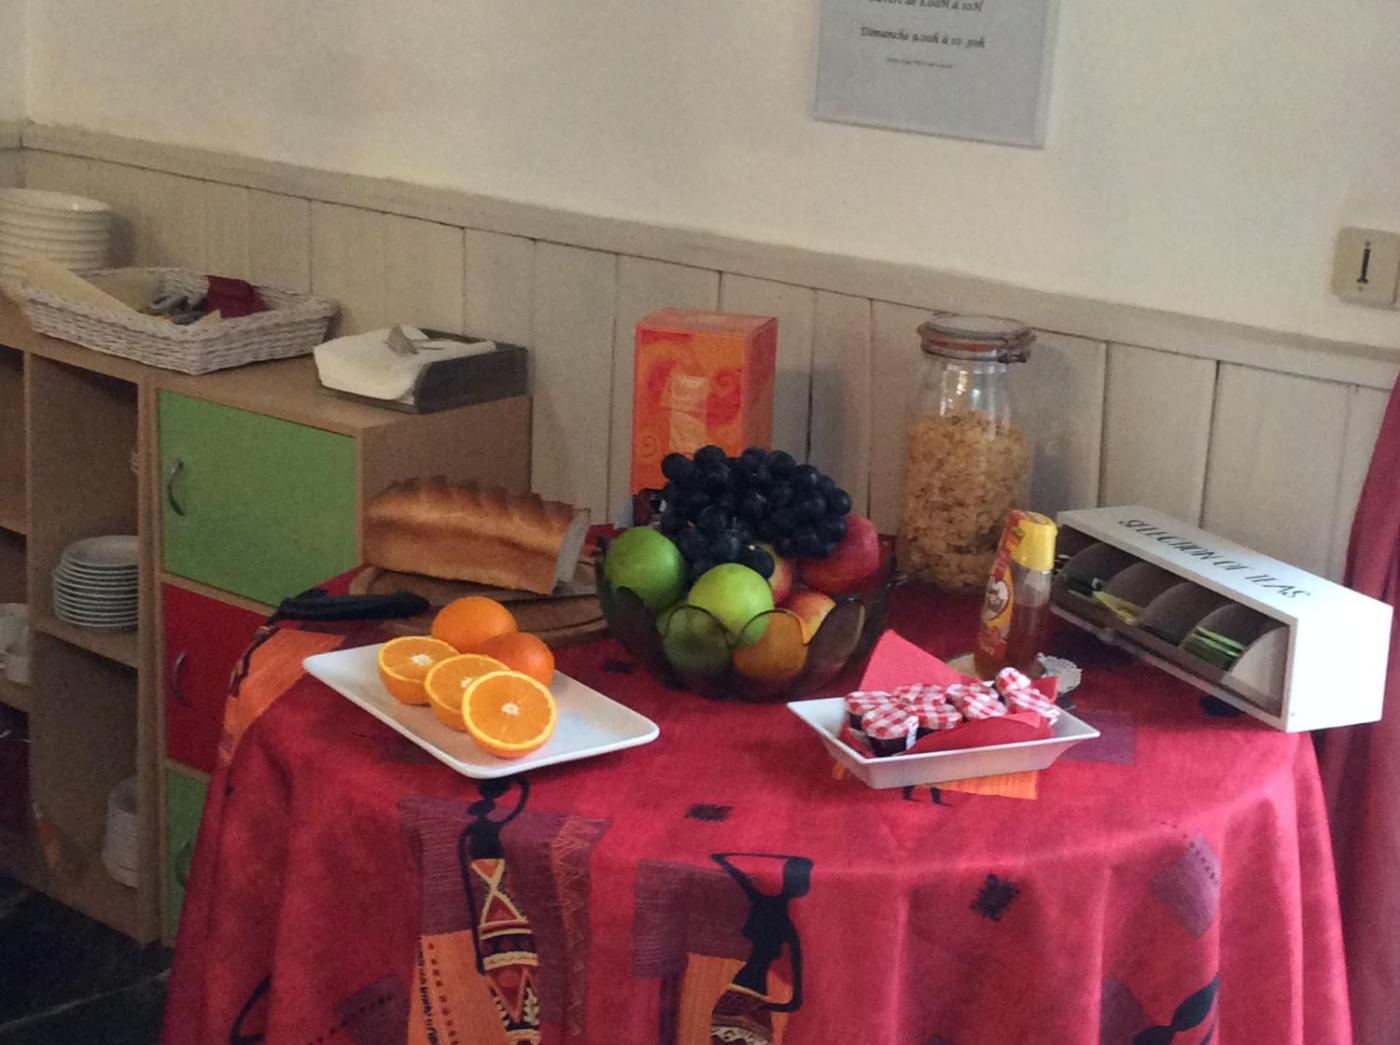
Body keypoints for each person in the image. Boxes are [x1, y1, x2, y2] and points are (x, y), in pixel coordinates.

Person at [708, 853, 813, 1044]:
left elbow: (728, 867)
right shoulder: (789, 929)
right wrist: (764, 1008)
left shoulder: (762, 903)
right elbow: (795, 1002)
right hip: (747, 995)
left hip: (743, 994)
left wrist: (727, 857)